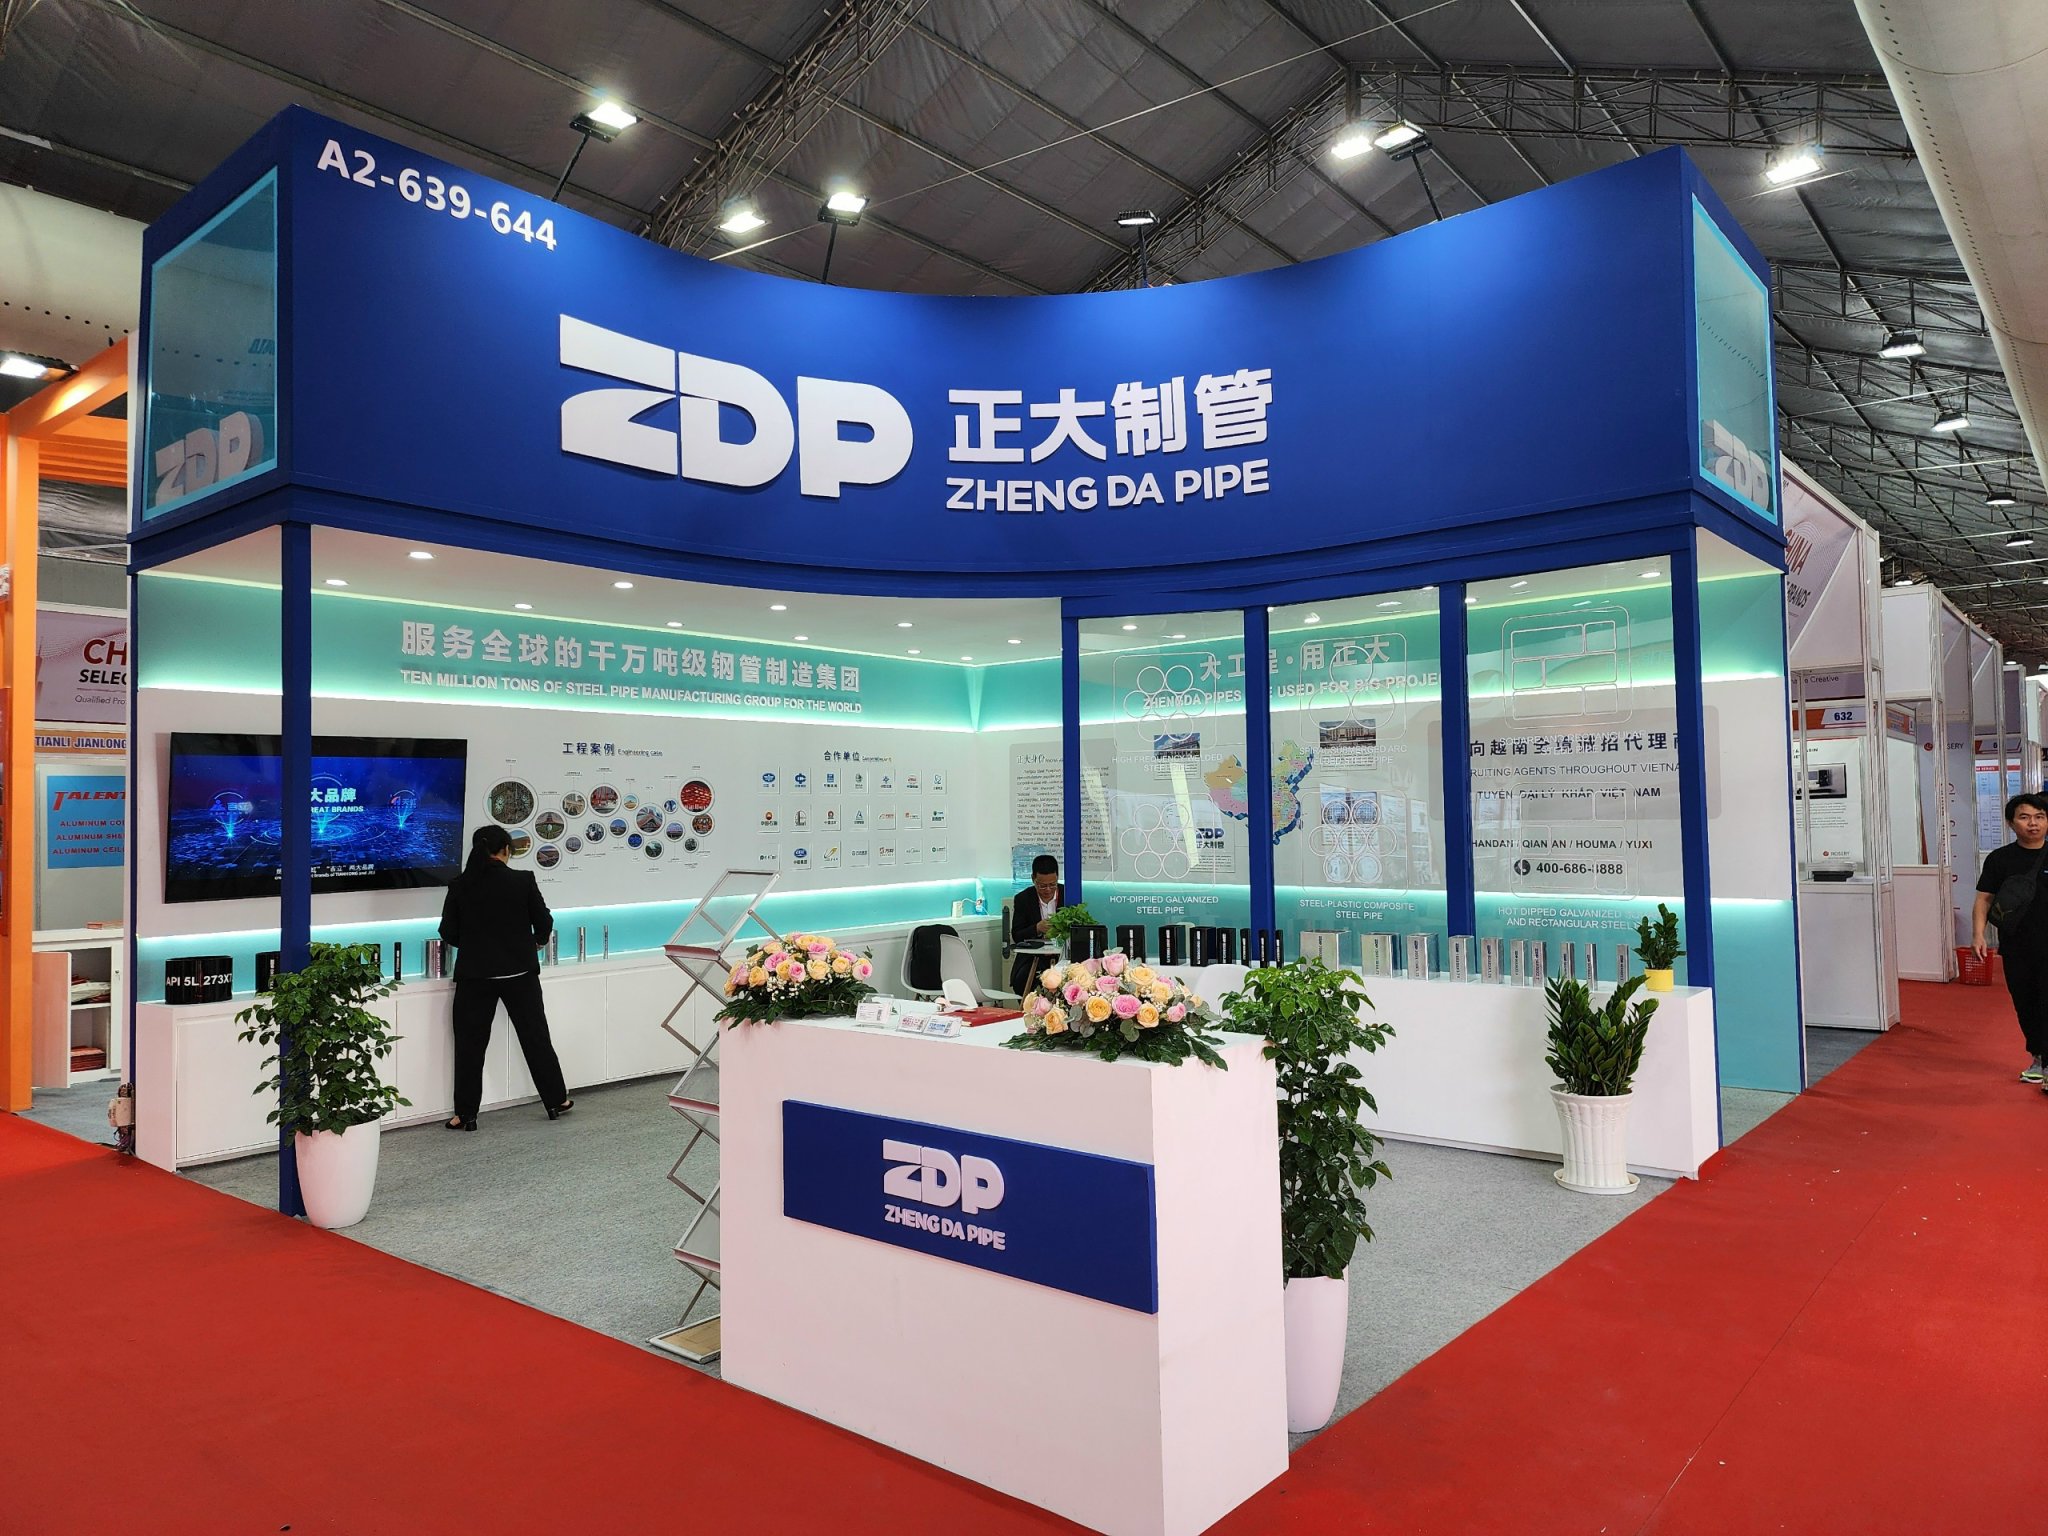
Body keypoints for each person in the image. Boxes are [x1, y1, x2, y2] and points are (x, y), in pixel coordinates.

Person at [437, 826, 572, 1130]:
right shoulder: (522, 880)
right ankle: (555, 1101)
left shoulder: (460, 885)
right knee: (536, 1038)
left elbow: (448, 931)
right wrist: (535, 942)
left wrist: (473, 945)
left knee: (470, 1046)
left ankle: (466, 1115)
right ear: (507, 850)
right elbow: (544, 921)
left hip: (475, 976)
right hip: (520, 973)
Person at [1971, 791, 2048, 1084]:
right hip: (2017, 946)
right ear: (2011, 823)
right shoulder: (1999, 859)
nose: (2033, 823)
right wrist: (1978, 935)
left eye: (2039, 817)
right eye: (2024, 817)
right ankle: (2039, 1057)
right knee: (2025, 1003)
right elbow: (1984, 899)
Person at [1008, 854, 1065, 994]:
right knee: (1022, 981)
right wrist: (1036, 928)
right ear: (1033, 879)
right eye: (1042, 886)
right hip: (1034, 957)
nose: (1048, 890)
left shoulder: (1068, 894)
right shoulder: (1023, 899)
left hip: (1062, 954)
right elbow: (1017, 935)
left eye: (1052, 885)